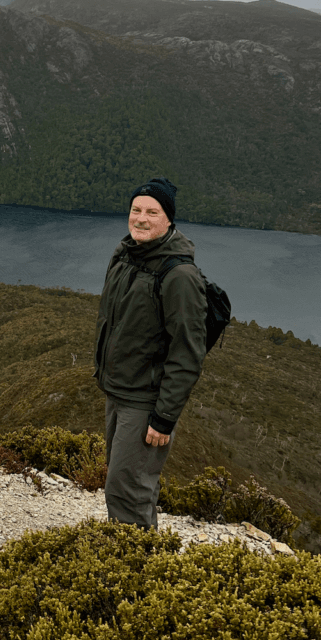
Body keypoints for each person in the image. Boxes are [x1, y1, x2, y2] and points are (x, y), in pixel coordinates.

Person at [93, 177, 207, 529]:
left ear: (168, 219)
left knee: (127, 490)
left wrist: (164, 418)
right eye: (136, 210)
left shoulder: (179, 276)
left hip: (145, 402)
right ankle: (137, 558)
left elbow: (187, 353)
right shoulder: (125, 254)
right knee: (124, 483)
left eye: (152, 212)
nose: (141, 218)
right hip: (118, 389)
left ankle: (138, 572)